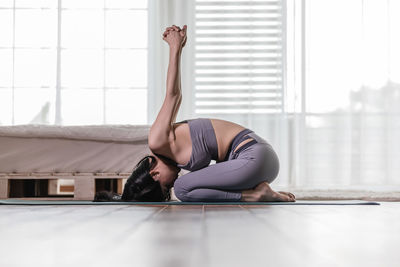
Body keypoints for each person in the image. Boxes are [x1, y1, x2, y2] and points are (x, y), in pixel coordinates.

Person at [94, 25, 295, 203]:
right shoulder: (175, 156)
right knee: (189, 187)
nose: (171, 185)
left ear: (154, 173)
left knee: (183, 189)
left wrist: (175, 48)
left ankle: (255, 196)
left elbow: (174, 95)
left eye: (165, 187)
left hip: (253, 156)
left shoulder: (157, 141)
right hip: (256, 163)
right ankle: (261, 192)